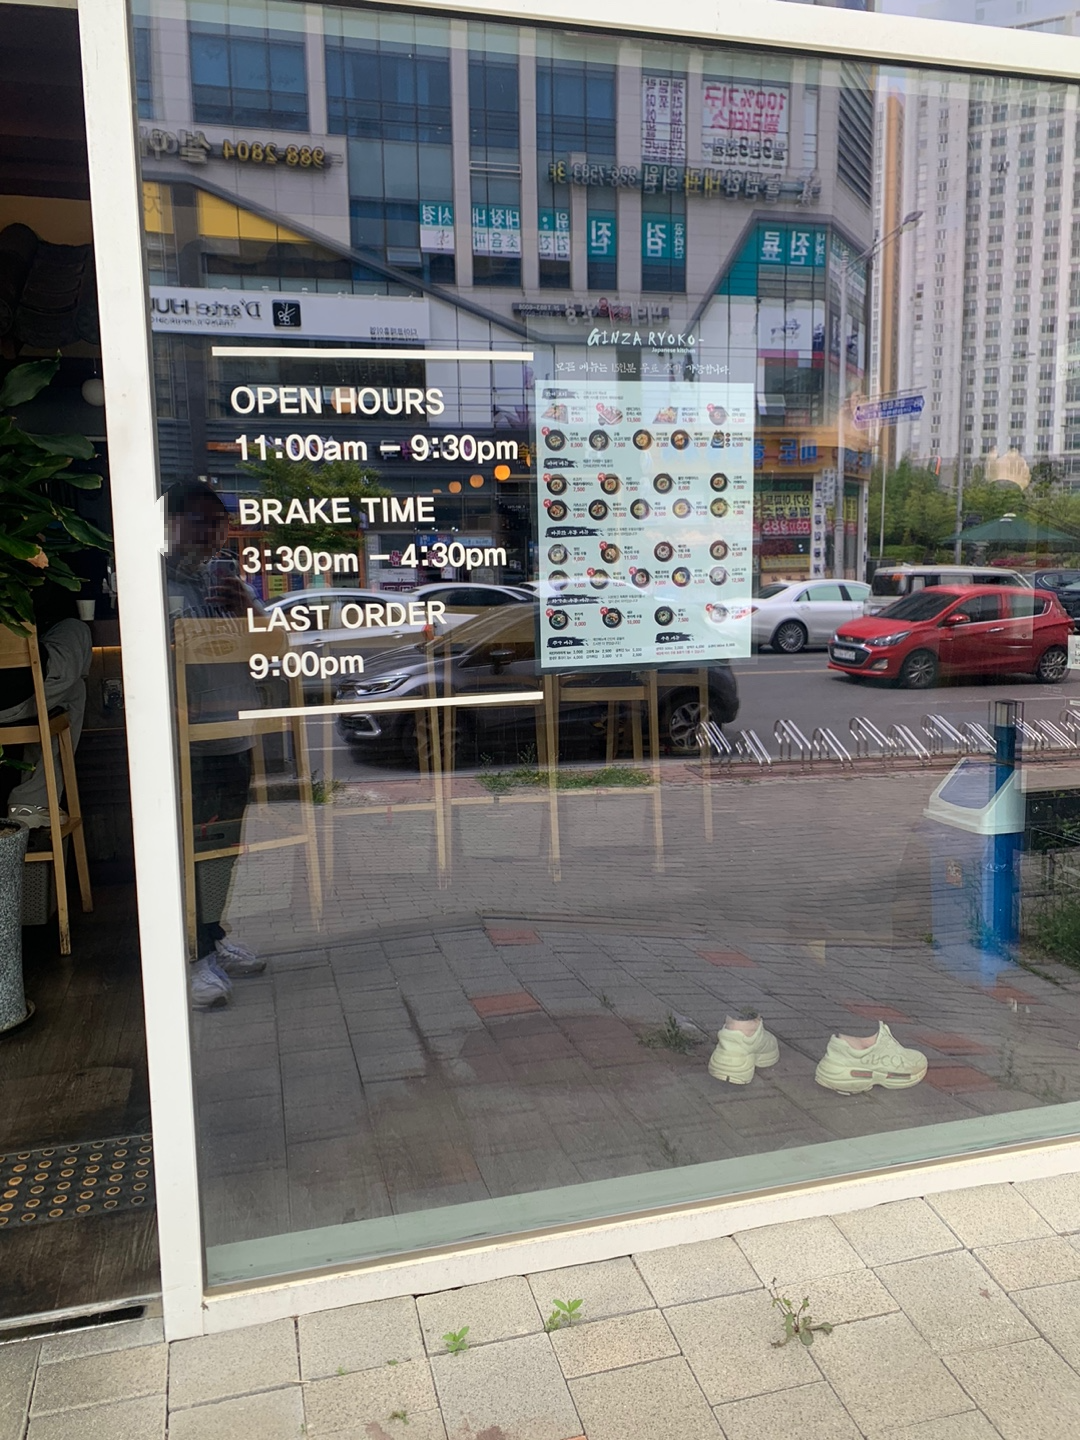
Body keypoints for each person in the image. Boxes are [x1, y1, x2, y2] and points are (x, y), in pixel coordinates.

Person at [166, 480, 267, 1008]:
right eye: (200, 521)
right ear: (172, 524)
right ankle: (190, 953)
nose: (211, 533)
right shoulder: (154, 584)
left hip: (233, 731)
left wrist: (248, 608)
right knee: (191, 847)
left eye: (218, 523)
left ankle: (210, 935)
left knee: (224, 846)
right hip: (187, 740)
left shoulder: (224, 579)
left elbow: (271, 648)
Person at [0, 585, 91, 829]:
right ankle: (31, 802)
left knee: (72, 690)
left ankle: (31, 803)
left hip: (17, 701)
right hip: (18, 694)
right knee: (75, 629)